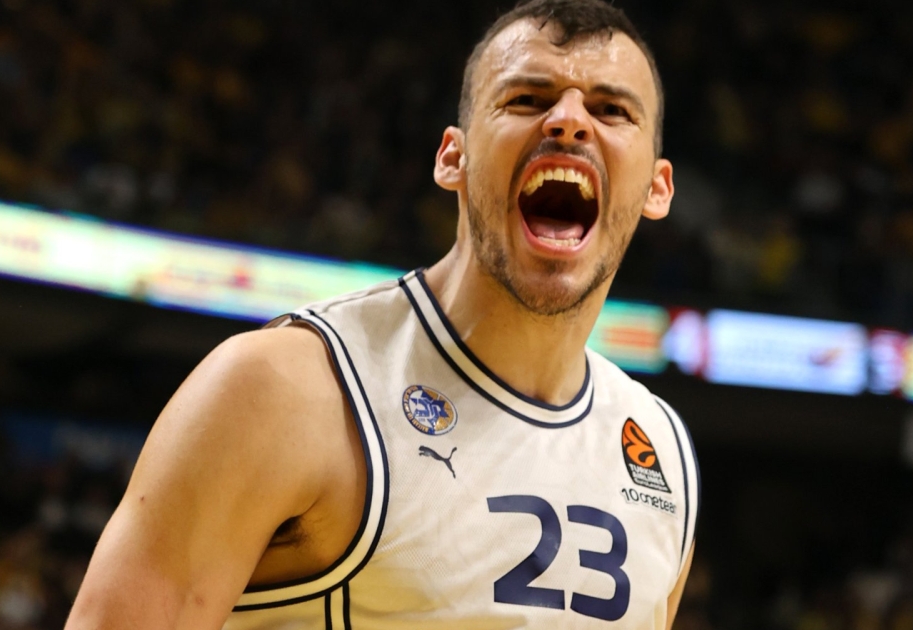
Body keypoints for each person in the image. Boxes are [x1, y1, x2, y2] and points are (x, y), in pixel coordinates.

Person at [65, 0, 699, 627]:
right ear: (453, 158)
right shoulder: (285, 388)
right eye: (527, 100)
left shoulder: (663, 456)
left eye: (611, 110)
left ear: (657, 187)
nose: (568, 121)